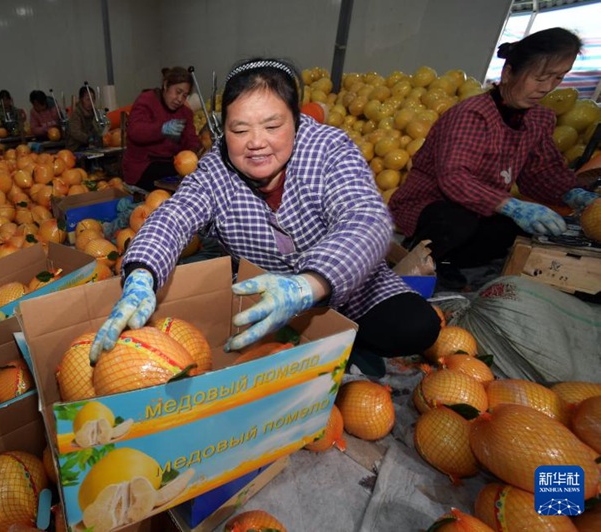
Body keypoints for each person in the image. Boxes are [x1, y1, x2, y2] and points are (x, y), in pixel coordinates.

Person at [88, 58, 441, 376]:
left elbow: (367, 220)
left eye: (273, 126)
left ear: (297, 121)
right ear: (224, 131)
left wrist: (308, 285)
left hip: (353, 286)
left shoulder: (330, 150)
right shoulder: (216, 169)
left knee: (416, 326)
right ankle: (327, 346)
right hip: (266, 295)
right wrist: (142, 273)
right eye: (240, 130)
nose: (256, 142)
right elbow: (174, 217)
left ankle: (347, 340)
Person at [389, 28, 598, 289]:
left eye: (557, 78)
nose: (546, 88)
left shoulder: (539, 119)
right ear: (509, 72)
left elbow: (541, 171)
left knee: (510, 230)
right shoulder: (472, 115)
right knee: (456, 221)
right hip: (433, 206)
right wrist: (510, 205)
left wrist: (574, 194)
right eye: (539, 77)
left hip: (482, 209)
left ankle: (452, 264)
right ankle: (419, 258)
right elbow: (454, 178)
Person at [122, 66, 201, 191]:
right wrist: (161, 129)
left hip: (171, 164)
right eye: (177, 92)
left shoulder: (185, 113)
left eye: (185, 95)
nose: (180, 99)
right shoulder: (147, 100)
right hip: (143, 166)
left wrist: (195, 152)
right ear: (165, 85)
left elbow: (190, 140)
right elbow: (135, 132)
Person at [66, 86, 102, 152]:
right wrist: (89, 139)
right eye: (88, 99)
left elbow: (98, 127)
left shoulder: (95, 112)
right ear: (81, 100)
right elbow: (75, 132)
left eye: (93, 99)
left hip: (91, 146)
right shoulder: (76, 113)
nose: (91, 102)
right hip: (76, 147)